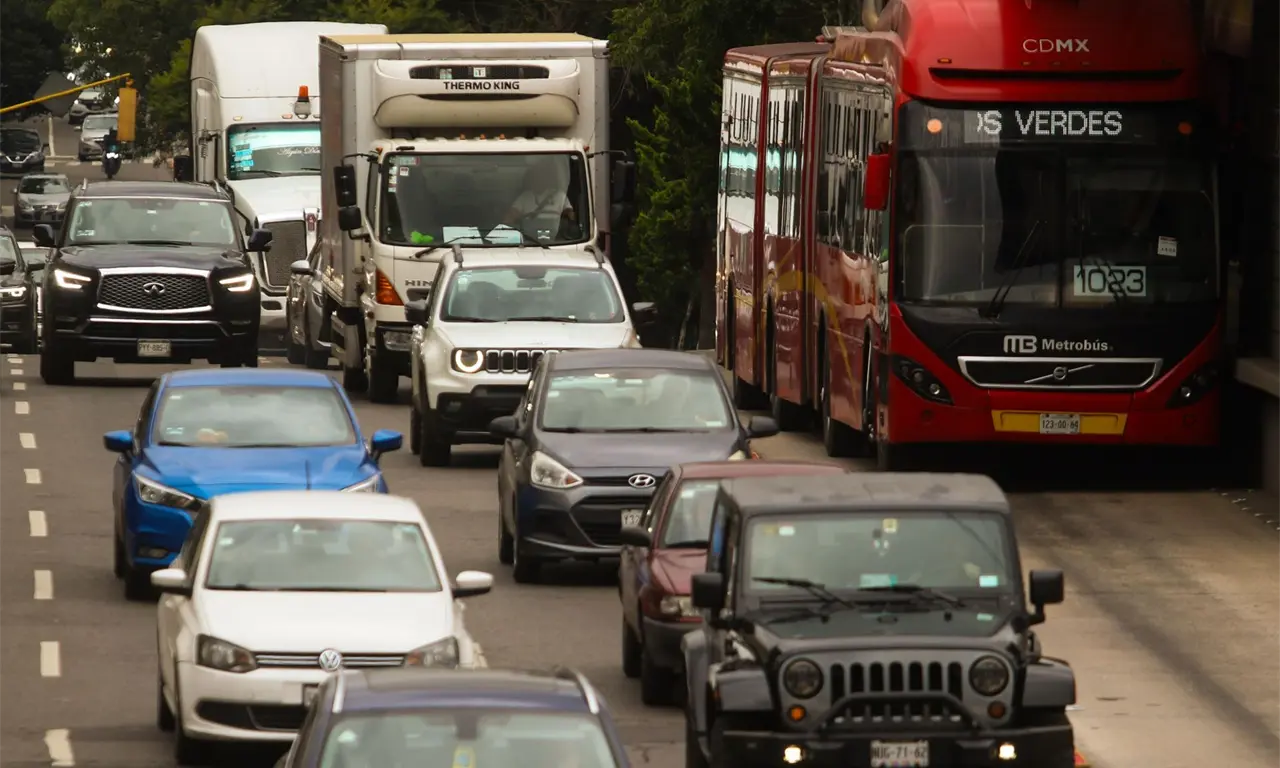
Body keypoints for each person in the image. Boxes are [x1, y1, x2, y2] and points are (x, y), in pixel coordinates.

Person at [504, 157, 576, 229]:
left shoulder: (560, 195)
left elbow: (570, 214)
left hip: (557, 238)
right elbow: (511, 216)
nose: (539, 179)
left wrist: (570, 219)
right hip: (530, 237)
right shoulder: (525, 197)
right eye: (536, 176)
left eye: (542, 176)